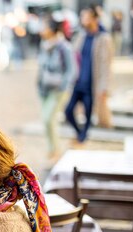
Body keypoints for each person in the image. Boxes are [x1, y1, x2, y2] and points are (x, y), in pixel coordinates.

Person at [64, 6, 113, 145]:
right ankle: (80, 134)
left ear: (94, 18)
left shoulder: (104, 38)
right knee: (68, 111)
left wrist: (104, 87)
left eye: (85, 16)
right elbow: (73, 56)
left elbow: (106, 66)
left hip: (92, 85)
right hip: (78, 83)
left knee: (88, 114)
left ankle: (83, 137)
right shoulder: (81, 36)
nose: (82, 20)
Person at [37, 17, 75, 161]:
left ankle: (56, 150)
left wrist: (63, 86)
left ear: (52, 30)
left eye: (44, 27)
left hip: (58, 90)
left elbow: (72, 70)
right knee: (46, 120)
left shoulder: (64, 47)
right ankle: (51, 149)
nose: (41, 30)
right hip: (44, 89)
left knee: (49, 119)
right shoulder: (44, 45)